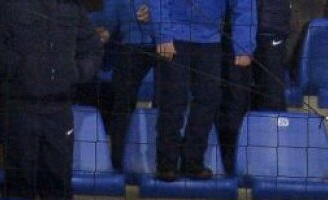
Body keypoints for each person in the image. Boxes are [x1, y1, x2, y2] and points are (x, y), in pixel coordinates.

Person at [0, 1, 103, 200]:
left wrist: (76, 73)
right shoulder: (8, 5)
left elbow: (93, 49)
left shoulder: (72, 8)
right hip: (19, 110)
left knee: (59, 193)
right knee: (17, 192)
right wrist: (18, 70)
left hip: (60, 112)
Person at [151, 0, 256, 181]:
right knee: (173, 101)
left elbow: (245, 5)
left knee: (209, 101)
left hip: (211, 41)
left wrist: (244, 45)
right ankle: (166, 163)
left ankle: (193, 161)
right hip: (175, 38)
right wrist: (163, 36)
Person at [217, 0, 291, 175]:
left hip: (271, 28)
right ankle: (229, 166)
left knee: (272, 102)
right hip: (233, 29)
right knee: (233, 101)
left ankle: (270, 165)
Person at [101, 1, 157, 171]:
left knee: (171, 102)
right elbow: (110, 12)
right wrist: (104, 28)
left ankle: (165, 161)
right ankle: (118, 161)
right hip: (132, 45)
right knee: (122, 103)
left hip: (171, 43)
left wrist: (156, 14)